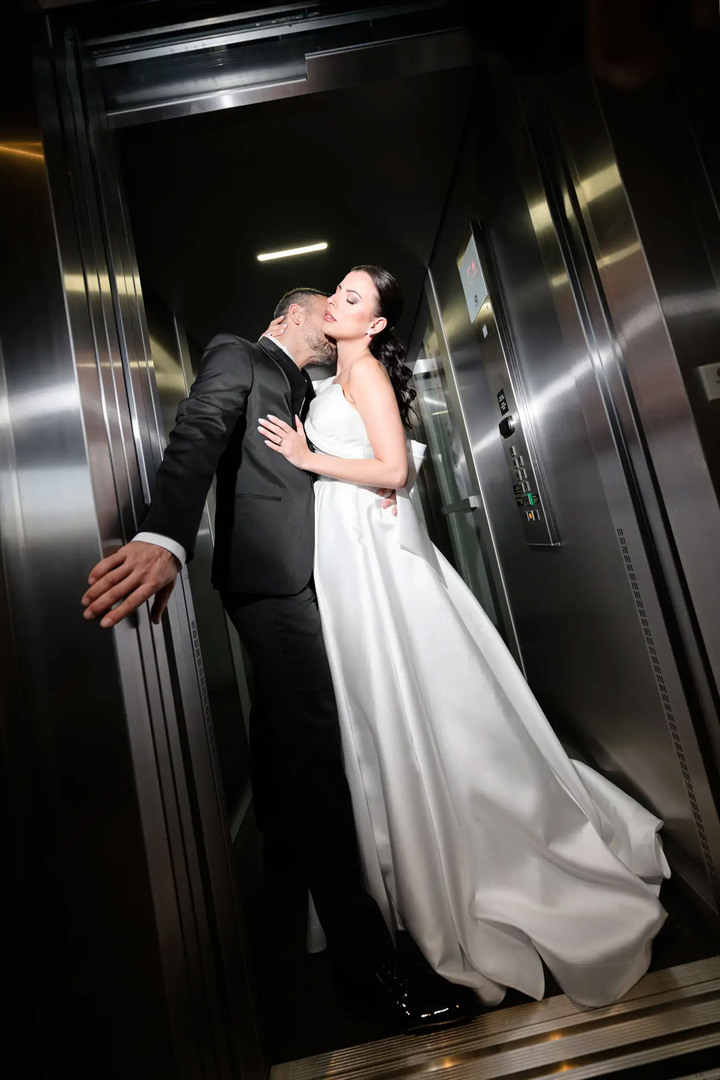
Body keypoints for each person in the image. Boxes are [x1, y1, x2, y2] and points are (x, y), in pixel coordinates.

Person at [258, 264, 670, 1009]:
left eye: (351, 299)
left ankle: (472, 855)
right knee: (373, 701)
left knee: (411, 690)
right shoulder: (327, 381)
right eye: (336, 295)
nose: (335, 306)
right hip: (347, 550)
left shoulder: (366, 376)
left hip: (373, 555)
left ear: (375, 324)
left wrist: (307, 459)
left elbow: (393, 469)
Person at [80, 286, 477, 1032]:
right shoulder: (239, 354)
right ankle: (369, 971)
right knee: (318, 758)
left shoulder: (311, 385)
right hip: (270, 585)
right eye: (323, 305)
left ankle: (284, 908)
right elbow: (199, 431)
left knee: (282, 745)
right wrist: (165, 534)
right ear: (289, 315)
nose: (332, 317)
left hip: (319, 578)